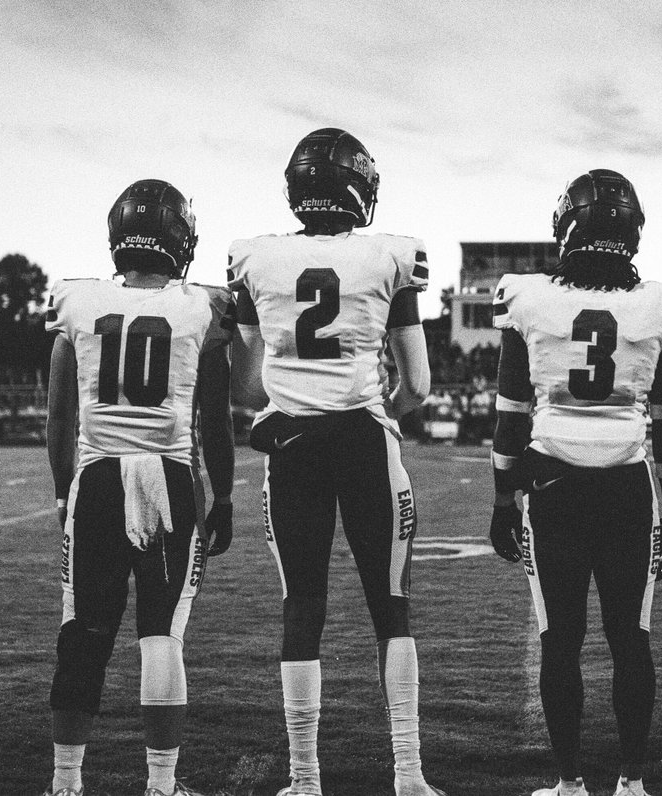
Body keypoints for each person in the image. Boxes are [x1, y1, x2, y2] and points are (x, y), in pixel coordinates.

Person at [227, 128, 442, 796]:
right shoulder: (390, 257)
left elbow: (245, 388)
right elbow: (420, 384)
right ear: (360, 188)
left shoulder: (253, 258)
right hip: (364, 443)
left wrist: (290, 401)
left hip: (294, 447)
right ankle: (407, 774)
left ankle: (304, 779)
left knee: (303, 607)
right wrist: (381, 413)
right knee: (392, 607)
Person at [488, 169, 662, 796]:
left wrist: (502, 499)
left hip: (552, 483)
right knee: (630, 637)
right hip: (629, 486)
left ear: (566, 227)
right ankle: (631, 782)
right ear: (632, 230)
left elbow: (510, 416)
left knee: (561, 638)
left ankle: (570, 782)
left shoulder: (528, 299)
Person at [43, 179, 236, 796]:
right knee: (161, 634)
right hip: (170, 478)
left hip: (97, 478)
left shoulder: (76, 302)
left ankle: (67, 783)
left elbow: (58, 417)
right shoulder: (203, 308)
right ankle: (160, 785)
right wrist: (225, 495)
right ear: (180, 238)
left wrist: (60, 492)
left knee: (82, 632)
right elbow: (218, 420)